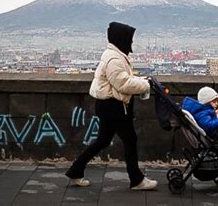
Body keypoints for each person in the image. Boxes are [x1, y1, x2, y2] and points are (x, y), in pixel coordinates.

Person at [65, 21, 157, 190]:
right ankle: (136, 180)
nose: (131, 43)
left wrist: (140, 81)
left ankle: (75, 170)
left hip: (109, 106)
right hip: (114, 107)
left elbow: (122, 79)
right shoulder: (114, 58)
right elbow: (123, 83)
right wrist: (145, 85)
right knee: (130, 139)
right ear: (122, 39)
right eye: (129, 39)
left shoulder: (114, 54)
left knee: (102, 140)